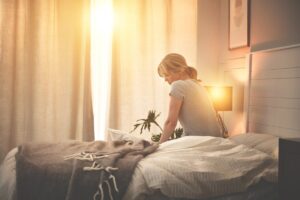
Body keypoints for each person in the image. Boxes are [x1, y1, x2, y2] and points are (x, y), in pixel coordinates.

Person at [157, 53, 222, 143]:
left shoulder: (178, 85)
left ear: (179, 70)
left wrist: (159, 145)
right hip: (217, 141)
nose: (165, 79)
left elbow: (171, 123)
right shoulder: (200, 86)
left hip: (198, 142)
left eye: (167, 75)